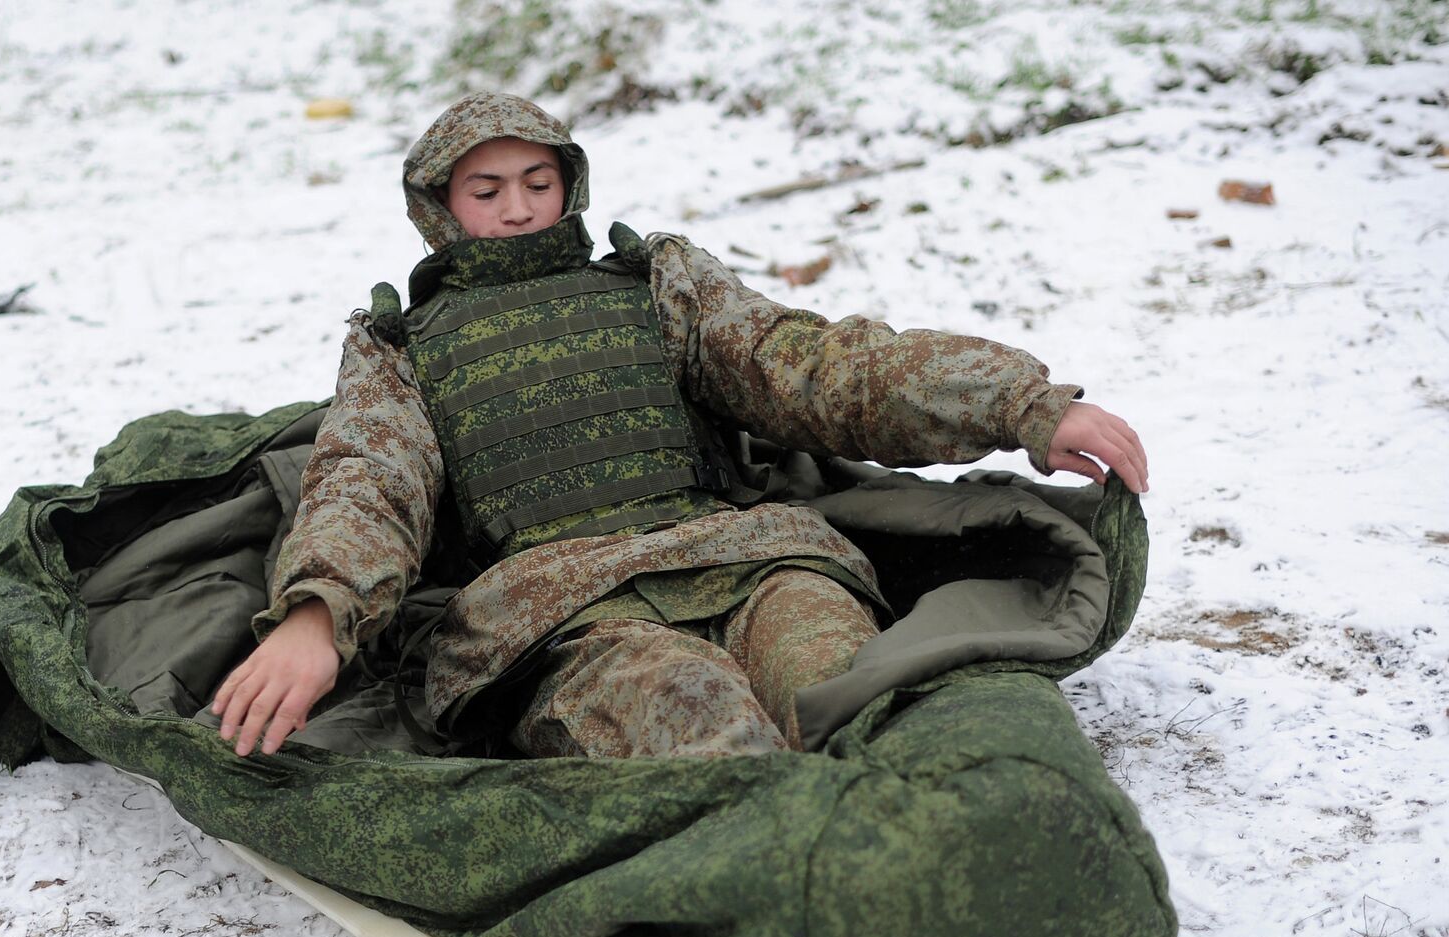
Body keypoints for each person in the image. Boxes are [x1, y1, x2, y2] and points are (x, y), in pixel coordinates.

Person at [212, 93, 1146, 759]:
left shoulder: (658, 286)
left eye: (537, 181)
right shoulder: (400, 346)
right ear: (439, 207)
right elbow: (369, 477)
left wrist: (1020, 404)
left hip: (748, 559)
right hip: (564, 613)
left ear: (568, 185)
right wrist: (318, 613)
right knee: (706, 737)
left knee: (865, 697)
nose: (516, 207)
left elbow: (815, 367)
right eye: (486, 189)